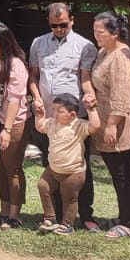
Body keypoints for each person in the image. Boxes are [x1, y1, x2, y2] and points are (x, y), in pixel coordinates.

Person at [27, 3, 99, 229]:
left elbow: (86, 78)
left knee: (79, 166)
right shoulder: (38, 43)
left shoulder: (84, 46)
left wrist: (90, 100)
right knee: (52, 164)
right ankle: (55, 215)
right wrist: (36, 97)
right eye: (54, 25)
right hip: (49, 116)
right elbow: (33, 76)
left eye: (63, 25)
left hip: (73, 119)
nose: (59, 29)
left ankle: (86, 215)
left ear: (73, 20)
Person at [87, 11, 130, 238]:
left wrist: (111, 124)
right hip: (103, 119)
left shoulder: (121, 56)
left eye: (100, 32)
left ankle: (129, 223)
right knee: (115, 171)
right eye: (95, 32)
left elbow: (122, 94)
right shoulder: (103, 52)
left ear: (114, 33)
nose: (96, 36)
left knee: (122, 172)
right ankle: (122, 216)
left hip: (118, 122)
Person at [0, 22, 30, 230]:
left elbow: (15, 99)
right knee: (1, 166)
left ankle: (14, 215)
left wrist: (8, 130)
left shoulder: (16, 65)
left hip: (14, 121)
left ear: (3, 43)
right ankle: (3, 211)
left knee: (13, 167)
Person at [34, 94, 103, 234]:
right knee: (43, 186)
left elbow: (95, 126)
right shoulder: (52, 123)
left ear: (72, 114)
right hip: (53, 169)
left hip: (73, 172)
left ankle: (67, 224)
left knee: (69, 198)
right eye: (54, 110)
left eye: (60, 111)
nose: (55, 114)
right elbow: (40, 127)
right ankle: (51, 218)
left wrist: (91, 109)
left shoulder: (79, 125)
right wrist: (39, 115)